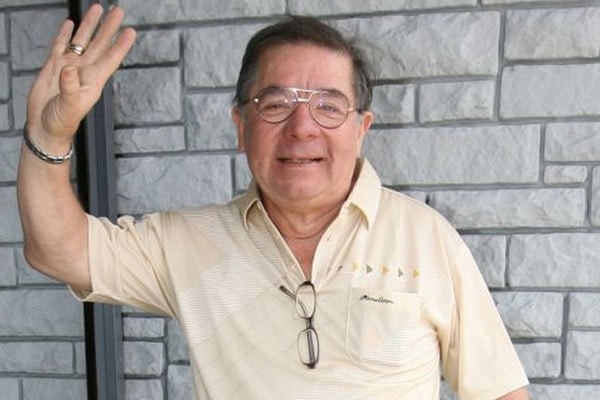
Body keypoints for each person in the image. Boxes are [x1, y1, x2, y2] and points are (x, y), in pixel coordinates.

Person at [17, 4, 530, 400]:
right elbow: (58, 249)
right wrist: (49, 135)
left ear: (361, 128)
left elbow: (501, 391)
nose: (302, 127)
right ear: (241, 126)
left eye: (329, 105)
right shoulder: (189, 243)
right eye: (276, 104)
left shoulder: (426, 237)